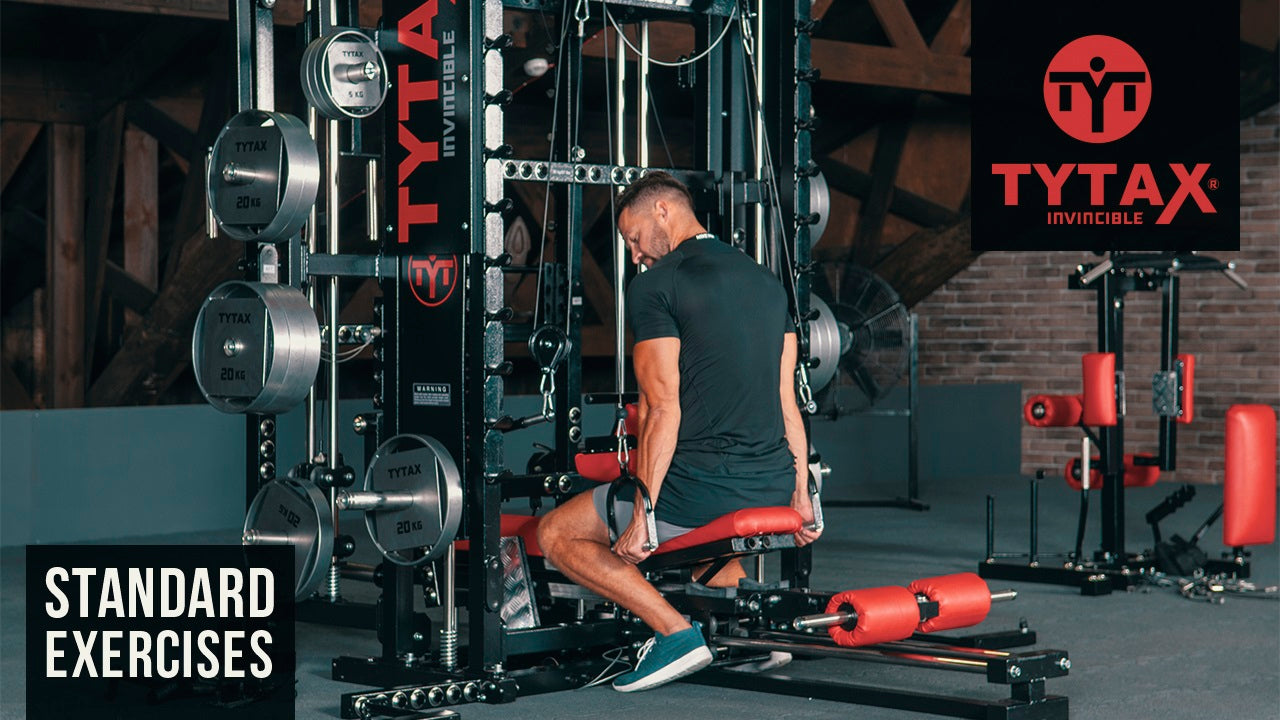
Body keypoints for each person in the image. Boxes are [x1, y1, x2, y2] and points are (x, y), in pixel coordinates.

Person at [537, 171, 820, 693]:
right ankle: (754, 638)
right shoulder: (767, 283)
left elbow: (661, 407)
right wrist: (803, 495)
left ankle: (673, 635)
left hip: (699, 492)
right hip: (772, 483)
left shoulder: (654, 287)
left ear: (663, 211)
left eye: (632, 236)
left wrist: (643, 512)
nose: (634, 252)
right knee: (708, 548)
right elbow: (787, 402)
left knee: (555, 532)